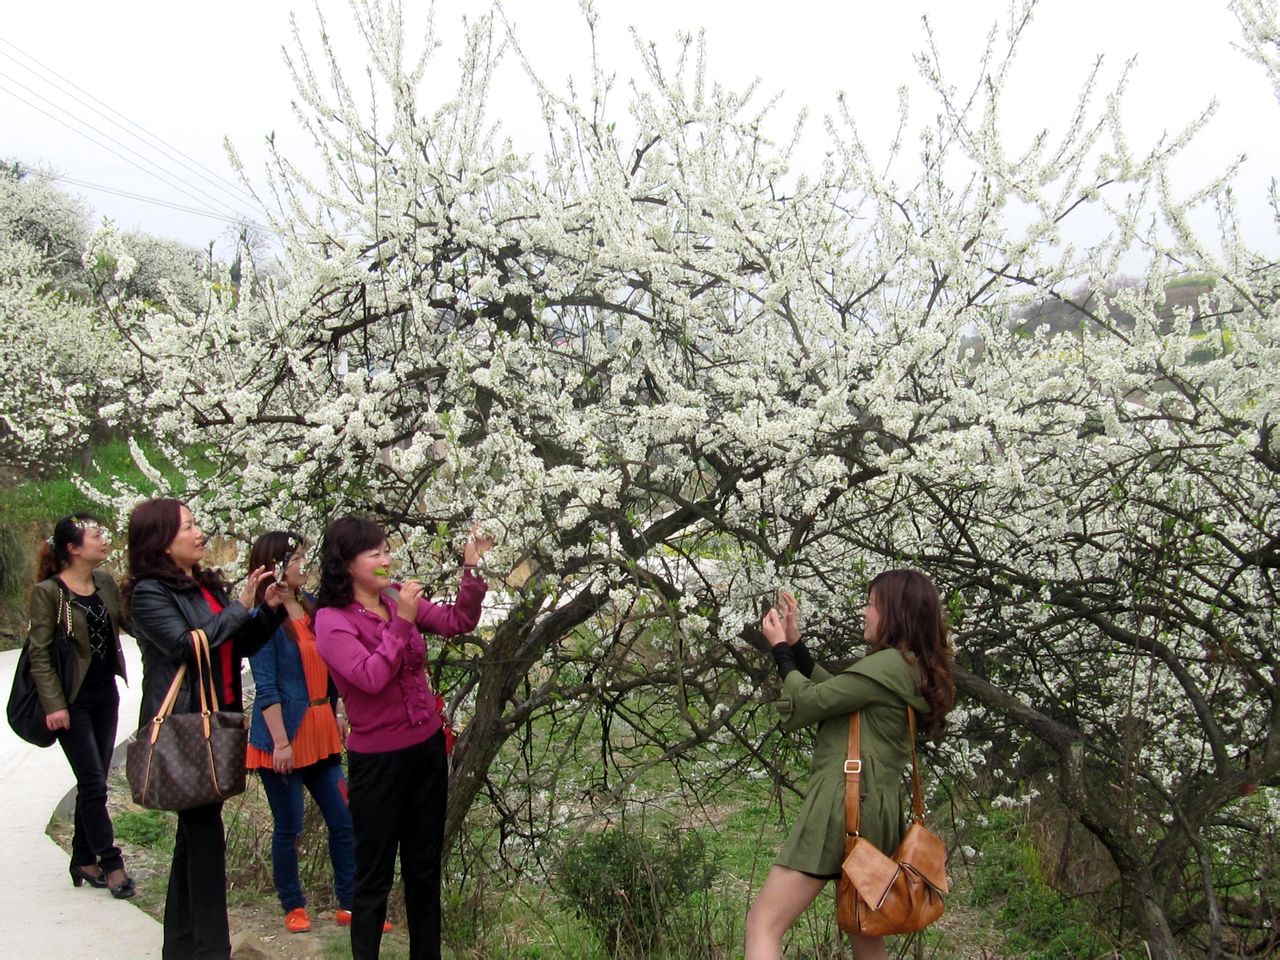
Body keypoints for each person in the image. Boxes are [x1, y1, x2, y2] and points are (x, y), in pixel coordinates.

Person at [744, 571, 955, 960]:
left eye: (872, 603)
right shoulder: (908, 667)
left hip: (842, 807)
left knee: (763, 924)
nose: (864, 611)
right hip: (874, 812)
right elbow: (836, 693)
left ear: (895, 612)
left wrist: (779, 650)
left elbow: (810, 703)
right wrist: (796, 646)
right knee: (866, 929)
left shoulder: (888, 665)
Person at [314, 516, 492, 960]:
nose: (386, 560)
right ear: (347, 564)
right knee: (373, 877)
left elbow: (458, 622)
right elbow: (369, 677)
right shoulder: (332, 621)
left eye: (386, 550)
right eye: (374, 554)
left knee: (424, 870)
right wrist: (402, 623)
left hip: (426, 749)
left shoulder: (394, 597)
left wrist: (471, 569)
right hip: (378, 762)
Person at [125, 498, 288, 960]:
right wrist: (239, 606)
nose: (199, 534)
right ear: (160, 540)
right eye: (189, 527)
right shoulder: (149, 593)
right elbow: (187, 646)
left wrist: (268, 611)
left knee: (193, 838)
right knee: (204, 840)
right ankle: (212, 949)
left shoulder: (200, 587)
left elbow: (232, 647)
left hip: (218, 720)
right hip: (186, 726)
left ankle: (179, 946)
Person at [245, 530, 369, 935]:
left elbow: (332, 664)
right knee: (290, 825)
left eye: (302, 556)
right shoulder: (265, 618)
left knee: (343, 817)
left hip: (321, 729)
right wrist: (280, 743)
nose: (303, 563)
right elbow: (267, 686)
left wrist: (336, 710)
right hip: (284, 736)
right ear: (275, 565)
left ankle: (350, 903)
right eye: (295, 557)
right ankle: (293, 904)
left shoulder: (313, 608)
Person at [28, 514, 133, 898]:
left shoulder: (104, 582)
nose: (104, 541)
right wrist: (54, 705)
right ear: (73, 549)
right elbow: (39, 653)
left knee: (97, 780)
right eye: (95, 536)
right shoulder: (49, 592)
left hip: (106, 695)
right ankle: (111, 862)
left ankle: (82, 858)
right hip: (72, 703)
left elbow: (126, 623)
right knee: (92, 782)